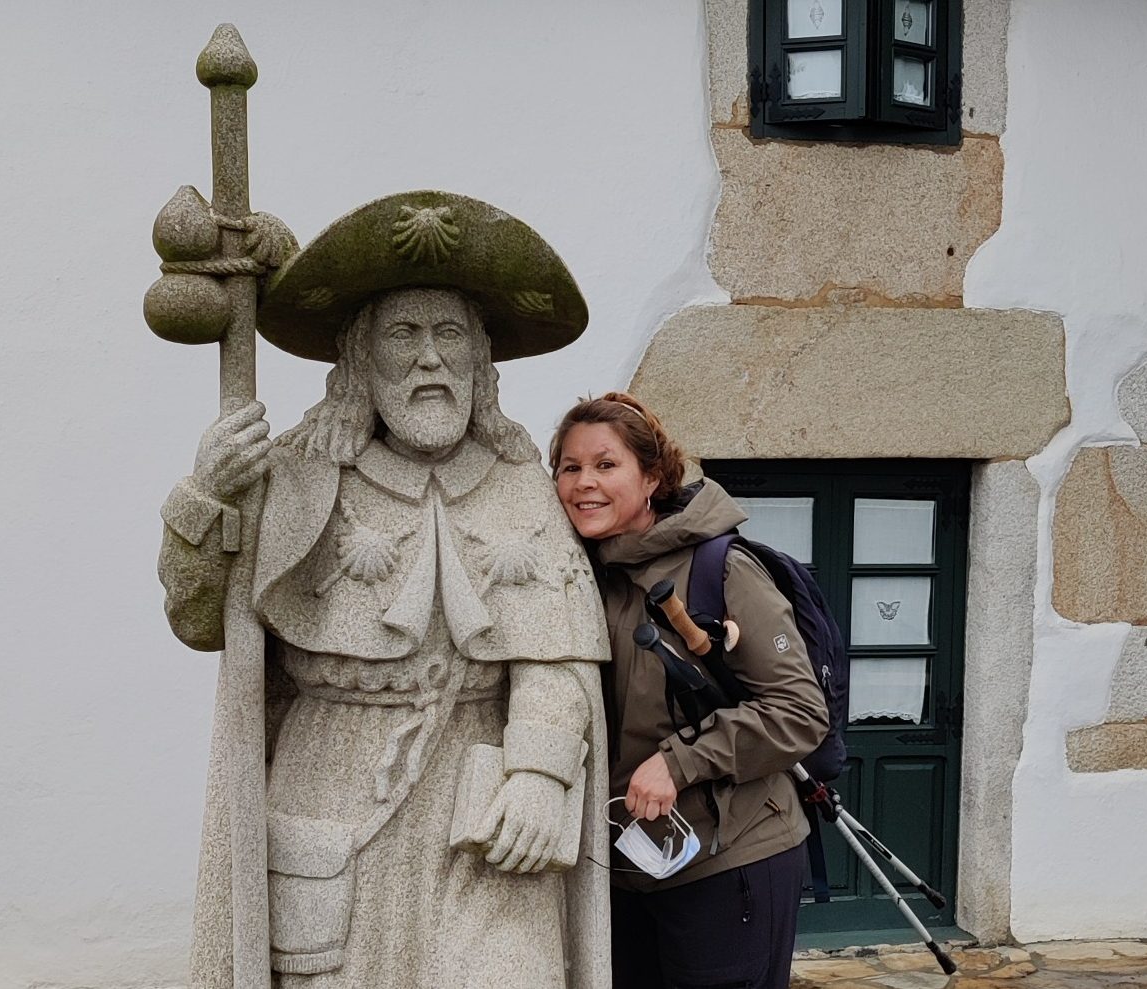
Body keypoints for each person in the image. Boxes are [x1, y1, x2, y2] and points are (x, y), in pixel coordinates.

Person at [158, 191, 611, 989]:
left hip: (483, 802)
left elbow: (558, 652)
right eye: (404, 333)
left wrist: (541, 770)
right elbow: (200, 620)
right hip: (332, 793)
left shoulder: (518, 483)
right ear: (360, 361)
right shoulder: (295, 474)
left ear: (480, 362)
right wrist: (205, 498)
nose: (430, 358)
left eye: (450, 334)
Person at [549, 391, 829, 989]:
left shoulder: (718, 569)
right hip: (628, 866)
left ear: (652, 477)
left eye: (605, 464)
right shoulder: (580, 575)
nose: (583, 483)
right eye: (570, 467)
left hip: (730, 859)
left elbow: (799, 712)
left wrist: (679, 763)